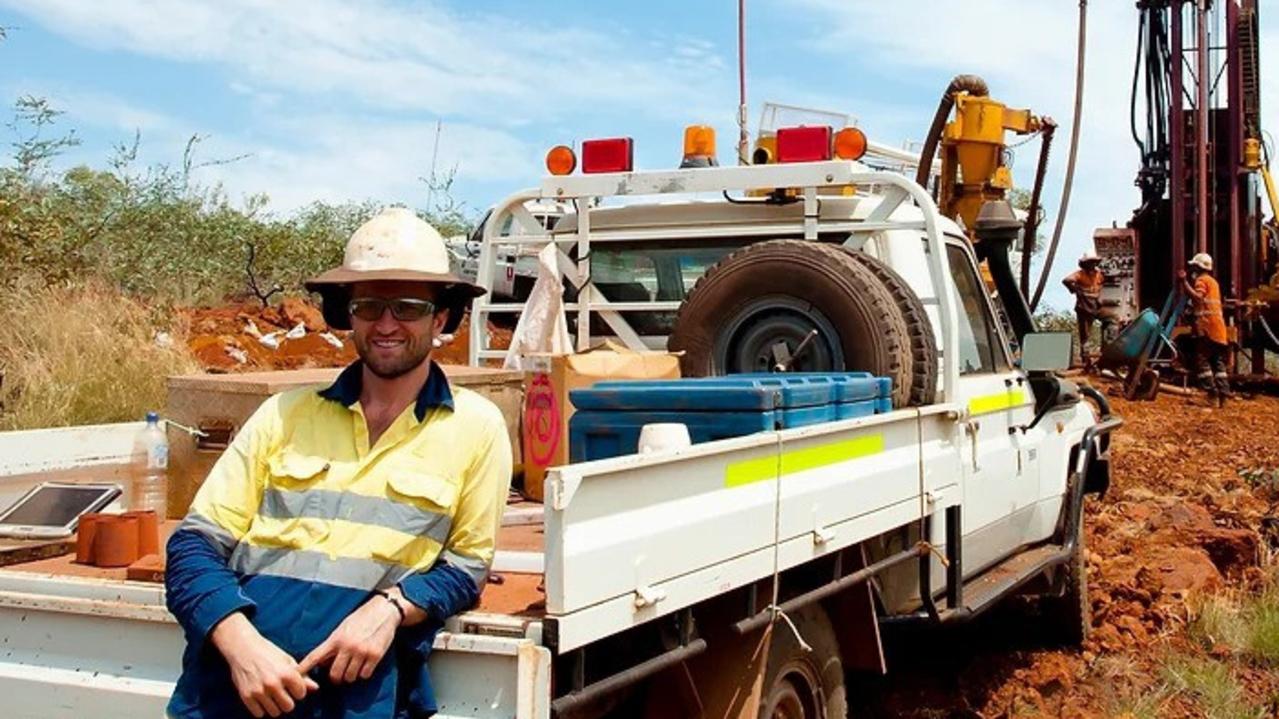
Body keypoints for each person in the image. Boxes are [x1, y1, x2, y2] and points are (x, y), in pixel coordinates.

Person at [164, 207, 512, 718]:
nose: (386, 324)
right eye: (369, 306)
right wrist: (241, 647)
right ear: (346, 313)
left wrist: (389, 608)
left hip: (356, 702)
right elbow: (193, 547)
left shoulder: (475, 428)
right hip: (229, 695)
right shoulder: (283, 414)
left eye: (409, 307)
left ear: (441, 318)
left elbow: (467, 568)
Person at [1180, 252, 1231, 407]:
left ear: (1198, 266)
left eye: (1193, 266)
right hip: (1218, 329)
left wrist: (1183, 282)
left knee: (1202, 362)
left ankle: (1212, 394)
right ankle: (1224, 396)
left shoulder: (1201, 280)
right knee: (1218, 363)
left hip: (1207, 328)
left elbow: (1198, 297)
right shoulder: (1214, 282)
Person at [1061, 250, 1109, 371]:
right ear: (1085, 264)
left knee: (1111, 319)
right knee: (1085, 336)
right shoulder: (1080, 274)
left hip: (1096, 306)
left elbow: (1103, 283)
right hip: (1084, 307)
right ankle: (1086, 361)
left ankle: (1106, 352)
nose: (1092, 265)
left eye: (1093, 262)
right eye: (1090, 262)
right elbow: (1066, 280)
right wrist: (1075, 289)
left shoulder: (1099, 275)